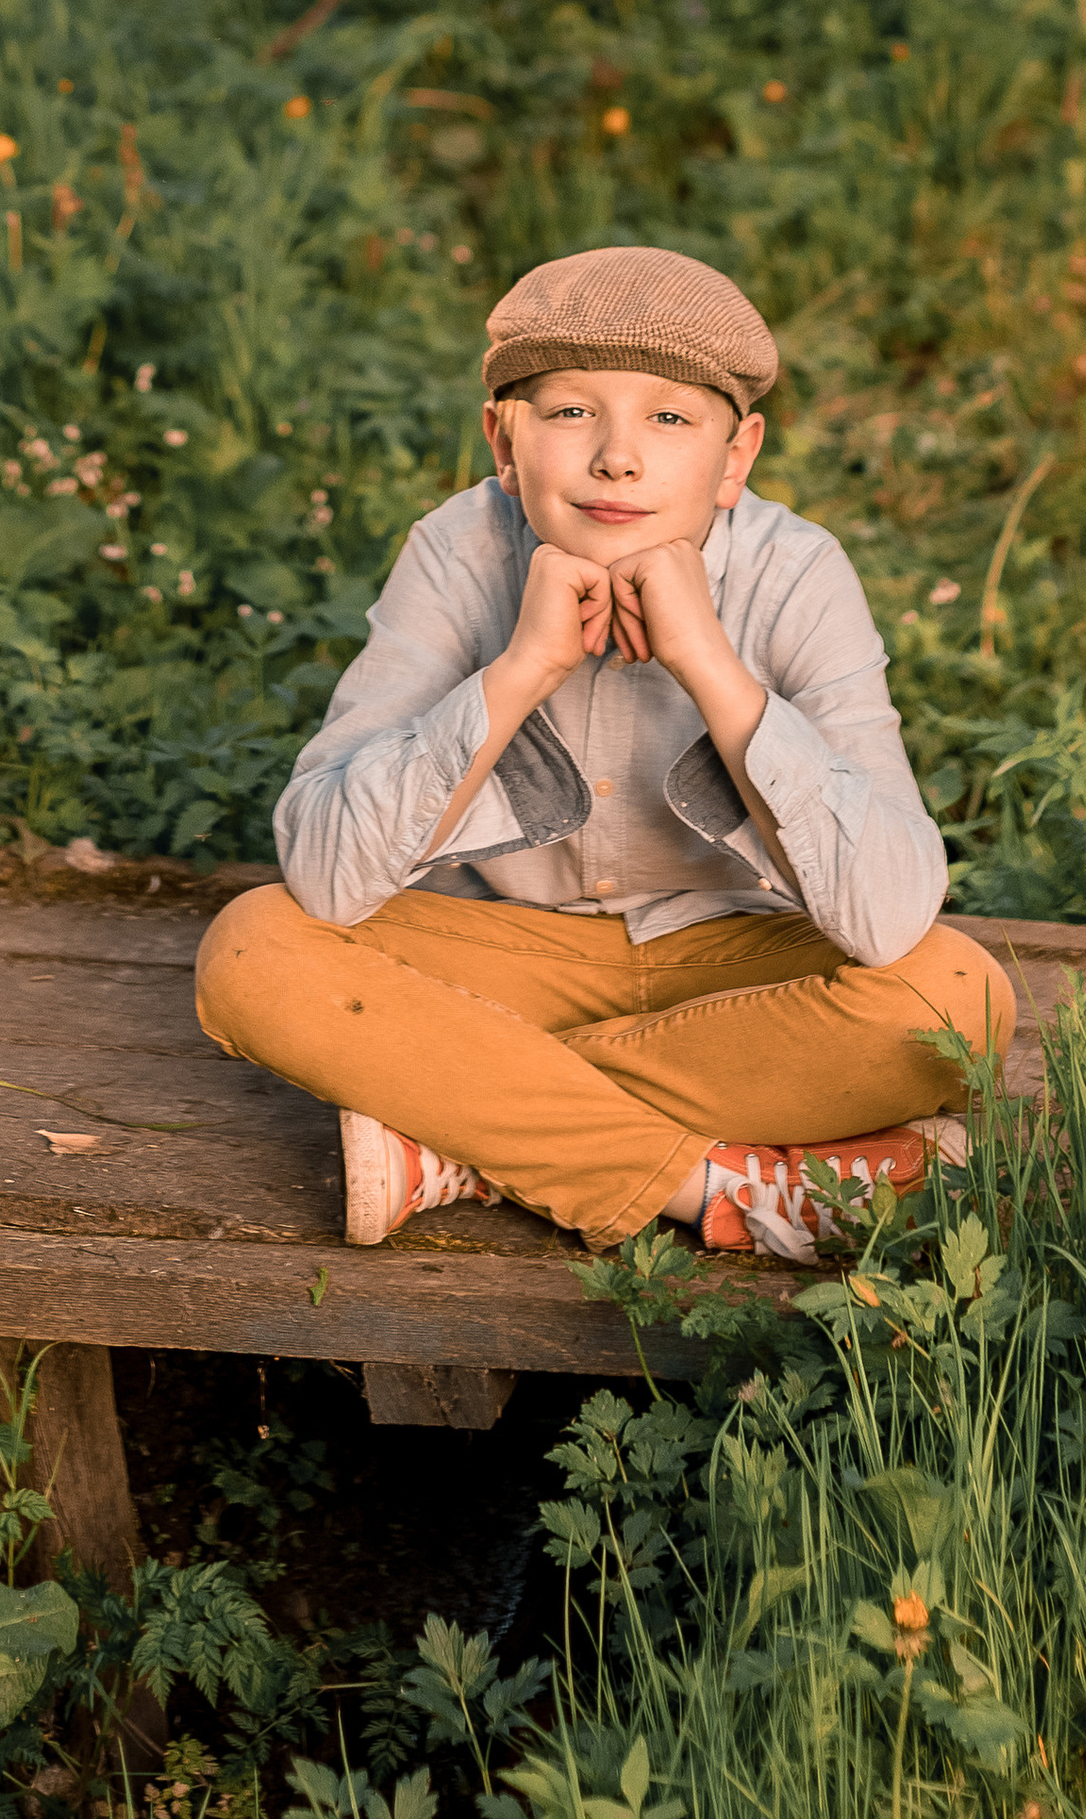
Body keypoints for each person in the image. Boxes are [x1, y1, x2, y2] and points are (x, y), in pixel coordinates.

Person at [194, 244, 1014, 1260]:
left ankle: (466, 1136)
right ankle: (719, 1188)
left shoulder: (797, 572)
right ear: (503, 440)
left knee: (955, 999)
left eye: (669, 418)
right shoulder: (457, 552)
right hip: (501, 954)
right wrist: (519, 673)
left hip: (733, 972)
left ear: (737, 455)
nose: (617, 457)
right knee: (252, 949)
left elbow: (889, 914)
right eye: (572, 411)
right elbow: (323, 874)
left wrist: (711, 667)